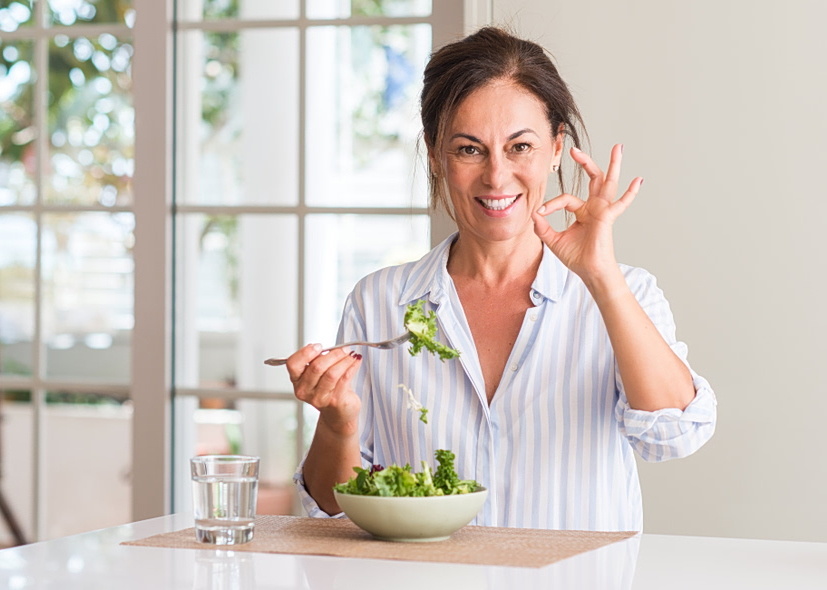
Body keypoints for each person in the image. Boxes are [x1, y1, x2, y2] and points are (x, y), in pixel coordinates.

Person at [286, 27, 716, 531]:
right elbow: (331, 508)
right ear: (435, 154)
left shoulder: (625, 294)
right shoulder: (379, 302)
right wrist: (337, 424)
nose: (496, 176)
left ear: (556, 147)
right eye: (469, 149)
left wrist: (601, 276)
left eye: (520, 147)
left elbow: (674, 437)